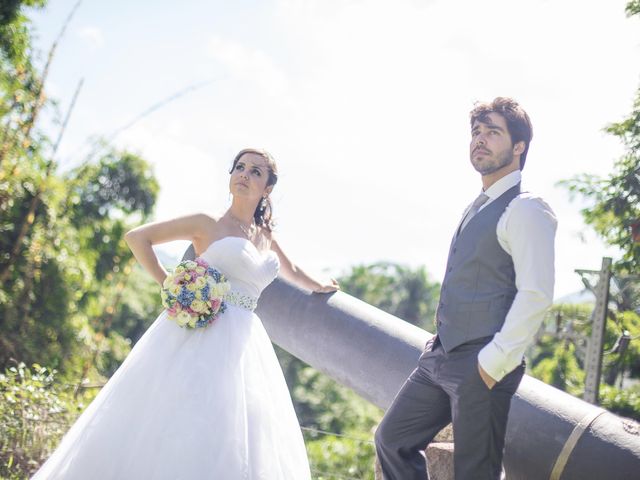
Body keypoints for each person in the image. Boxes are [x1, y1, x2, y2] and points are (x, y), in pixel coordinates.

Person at [32, 148, 339, 479]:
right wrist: (171, 285)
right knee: (181, 414)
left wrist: (319, 284)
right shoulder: (206, 223)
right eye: (239, 167)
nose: (244, 175)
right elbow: (138, 238)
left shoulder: (264, 235)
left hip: (247, 342)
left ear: (267, 188)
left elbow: (290, 268)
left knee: (234, 426)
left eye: (255, 171)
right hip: (201, 328)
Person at [374, 97, 557, 479]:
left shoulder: (526, 208)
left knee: (475, 472)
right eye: (476, 132)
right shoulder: (477, 205)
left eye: (493, 132)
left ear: (519, 146)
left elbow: (536, 293)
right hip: (440, 355)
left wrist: (494, 363)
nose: (480, 140)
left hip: (483, 362)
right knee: (392, 440)